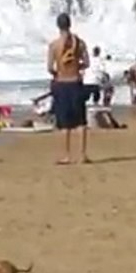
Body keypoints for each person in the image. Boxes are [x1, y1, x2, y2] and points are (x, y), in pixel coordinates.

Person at [46, 12, 90, 165]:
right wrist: (77, 67)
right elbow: (87, 63)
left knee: (64, 123)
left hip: (62, 84)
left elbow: (50, 68)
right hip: (76, 82)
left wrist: (59, 71)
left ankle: (67, 155)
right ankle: (83, 155)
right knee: (81, 121)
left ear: (58, 26)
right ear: (70, 24)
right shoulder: (80, 43)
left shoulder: (54, 45)